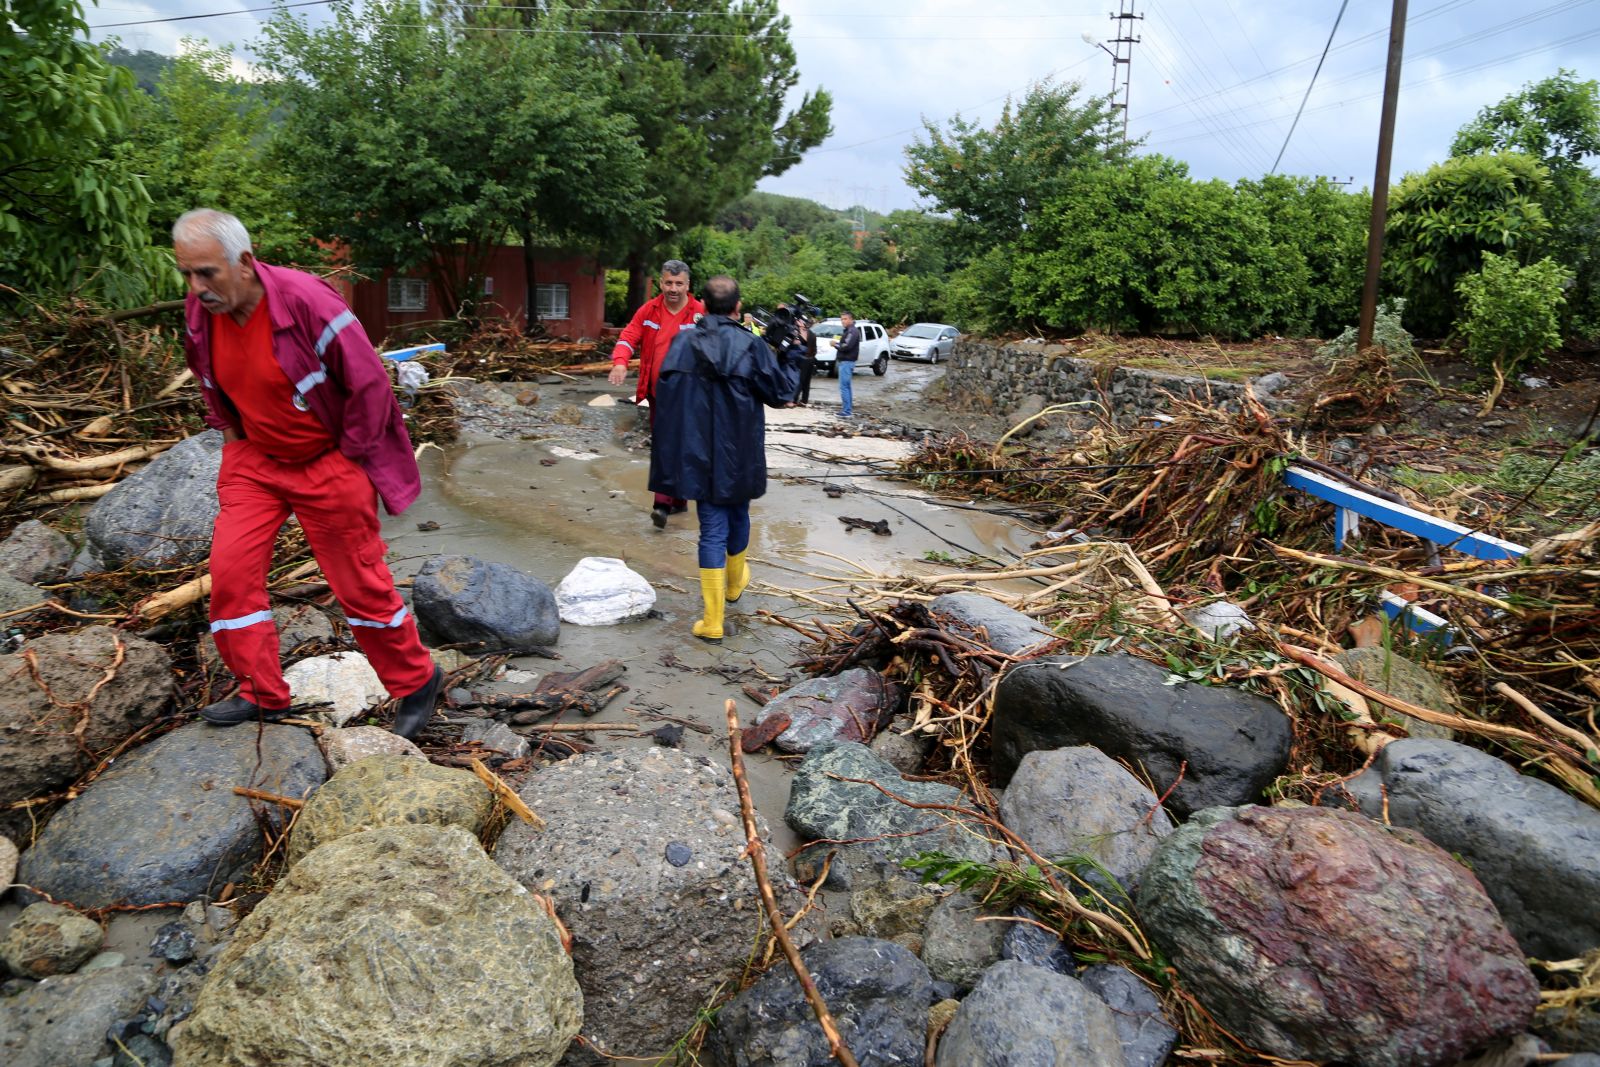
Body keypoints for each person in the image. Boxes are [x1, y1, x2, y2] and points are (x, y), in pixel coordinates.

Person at [172, 209, 445, 739]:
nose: (196, 286)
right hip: (255, 461)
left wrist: (352, 459)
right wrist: (232, 443)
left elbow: (370, 386)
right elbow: (208, 377)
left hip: (327, 461)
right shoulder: (201, 311)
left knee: (359, 586)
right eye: (187, 273)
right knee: (230, 577)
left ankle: (416, 680)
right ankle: (261, 691)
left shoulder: (309, 303)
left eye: (207, 273)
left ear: (245, 263)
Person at [648, 276, 802, 642]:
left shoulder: (682, 342)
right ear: (738, 307)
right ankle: (734, 585)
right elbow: (783, 393)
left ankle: (713, 618)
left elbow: (665, 396)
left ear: (701, 303)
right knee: (738, 514)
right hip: (740, 453)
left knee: (712, 530)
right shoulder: (751, 346)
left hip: (696, 454)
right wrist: (794, 349)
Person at [608, 260, 706, 528]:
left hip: (689, 395)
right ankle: (675, 501)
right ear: (661, 283)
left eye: (679, 284)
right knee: (666, 444)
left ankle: (664, 503)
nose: (673, 289)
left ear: (688, 285)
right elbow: (629, 335)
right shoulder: (649, 310)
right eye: (668, 283)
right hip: (656, 394)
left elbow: (717, 345)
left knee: (674, 445)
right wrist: (620, 361)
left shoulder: (699, 313)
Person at [835, 311, 860, 417]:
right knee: (847, 387)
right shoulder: (850, 331)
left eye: (845, 319)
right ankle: (847, 409)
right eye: (841, 319)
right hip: (847, 362)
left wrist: (835, 344)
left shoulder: (852, 331)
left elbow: (846, 346)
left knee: (844, 387)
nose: (843, 321)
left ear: (851, 319)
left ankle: (846, 411)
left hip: (846, 362)